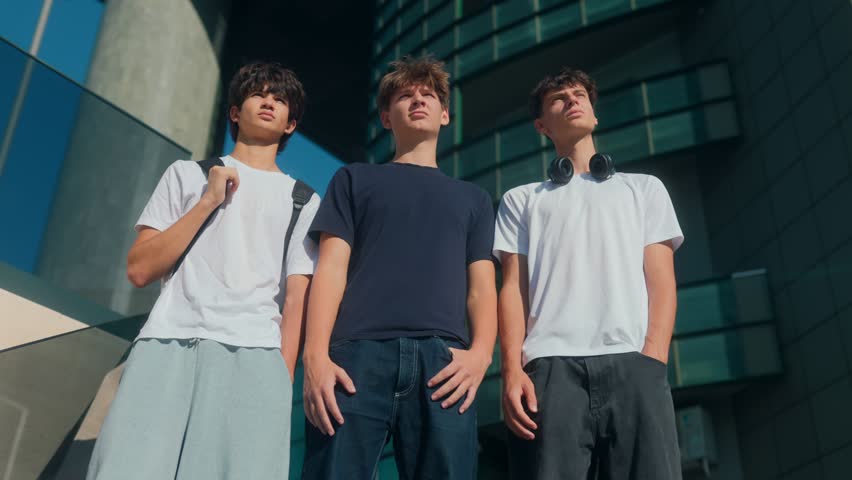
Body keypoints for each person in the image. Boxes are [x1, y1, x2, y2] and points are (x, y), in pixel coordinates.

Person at [86, 61, 318, 479]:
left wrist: (279, 377)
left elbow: (298, 298)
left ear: (290, 124)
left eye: (280, 99)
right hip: (168, 340)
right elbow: (140, 269)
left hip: (255, 356)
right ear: (234, 112)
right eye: (258, 94)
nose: (268, 101)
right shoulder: (186, 174)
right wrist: (208, 200)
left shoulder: (303, 199)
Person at [300, 56, 497, 480]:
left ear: (445, 115)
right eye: (405, 95)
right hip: (354, 358)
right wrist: (314, 356)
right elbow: (330, 269)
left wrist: (481, 355)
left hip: (444, 364)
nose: (418, 100)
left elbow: (481, 289)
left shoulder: (474, 199)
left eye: (428, 95)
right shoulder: (353, 180)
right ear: (387, 118)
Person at [495, 67, 684, 480]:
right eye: (559, 98)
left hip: (634, 362)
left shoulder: (645, 188)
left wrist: (652, 358)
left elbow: (662, 283)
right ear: (542, 125)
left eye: (579, 94)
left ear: (594, 114)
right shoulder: (521, 200)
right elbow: (512, 289)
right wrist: (512, 370)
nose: (572, 100)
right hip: (549, 370)